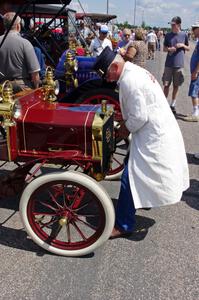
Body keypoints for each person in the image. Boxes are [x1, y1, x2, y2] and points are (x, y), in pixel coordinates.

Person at [93, 47, 189, 238]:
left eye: (107, 75)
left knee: (129, 178)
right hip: (157, 129)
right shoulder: (134, 71)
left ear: (113, 67)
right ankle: (142, 200)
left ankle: (123, 225)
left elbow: (139, 117)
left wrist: (123, 128)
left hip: (152, 134)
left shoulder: (129, 81)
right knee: (138, 169)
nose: (107, 80)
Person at [0, 12, 40, 93]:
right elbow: (35, 73)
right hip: (21, 87)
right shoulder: (25, 43)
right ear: (18, 26)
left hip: (2, 87)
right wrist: (36, 89)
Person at [162, 16, 190, 115]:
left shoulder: (184, 35)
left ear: (179, 25)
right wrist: (169, 49)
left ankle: (172, 104)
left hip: (179, 65)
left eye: (173, 25)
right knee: (166, 84)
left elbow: (188, 48)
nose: (172, 26)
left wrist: (182, 45)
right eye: (171, 24)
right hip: (168, 64)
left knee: (176, 85)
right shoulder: (168, 35)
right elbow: (164, 49)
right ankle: (164, 104)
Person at [183, 22, 199, 122]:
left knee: (194, 91)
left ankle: (195, 113)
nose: (192, 31)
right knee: (196, 91)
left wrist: (196, 71)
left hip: (197, 72)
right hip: (196, 71)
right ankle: (196, 112)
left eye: (194, 29)